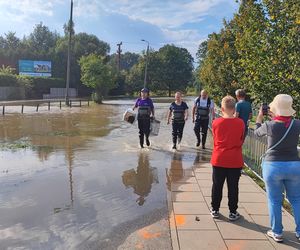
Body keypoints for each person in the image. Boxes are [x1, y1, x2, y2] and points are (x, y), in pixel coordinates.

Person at [254, 94, 300, 243]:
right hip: (294, 165)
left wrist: (260, 116)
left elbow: (256, 133)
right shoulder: (297, 124)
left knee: (274, 200)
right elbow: (287, 122)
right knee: (296, 200)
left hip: (273, 166)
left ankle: (277, 232)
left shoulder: (269, 125)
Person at [210, 96, 245, 221]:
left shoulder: (215, 122)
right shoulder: (240, 123)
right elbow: (241, 139)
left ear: (223, 108)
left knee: (217, 185)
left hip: (219, 158)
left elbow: (215, 138)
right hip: (235, 159)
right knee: (233, 187)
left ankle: (215, 209)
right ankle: (232, 212)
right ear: (234, 108)